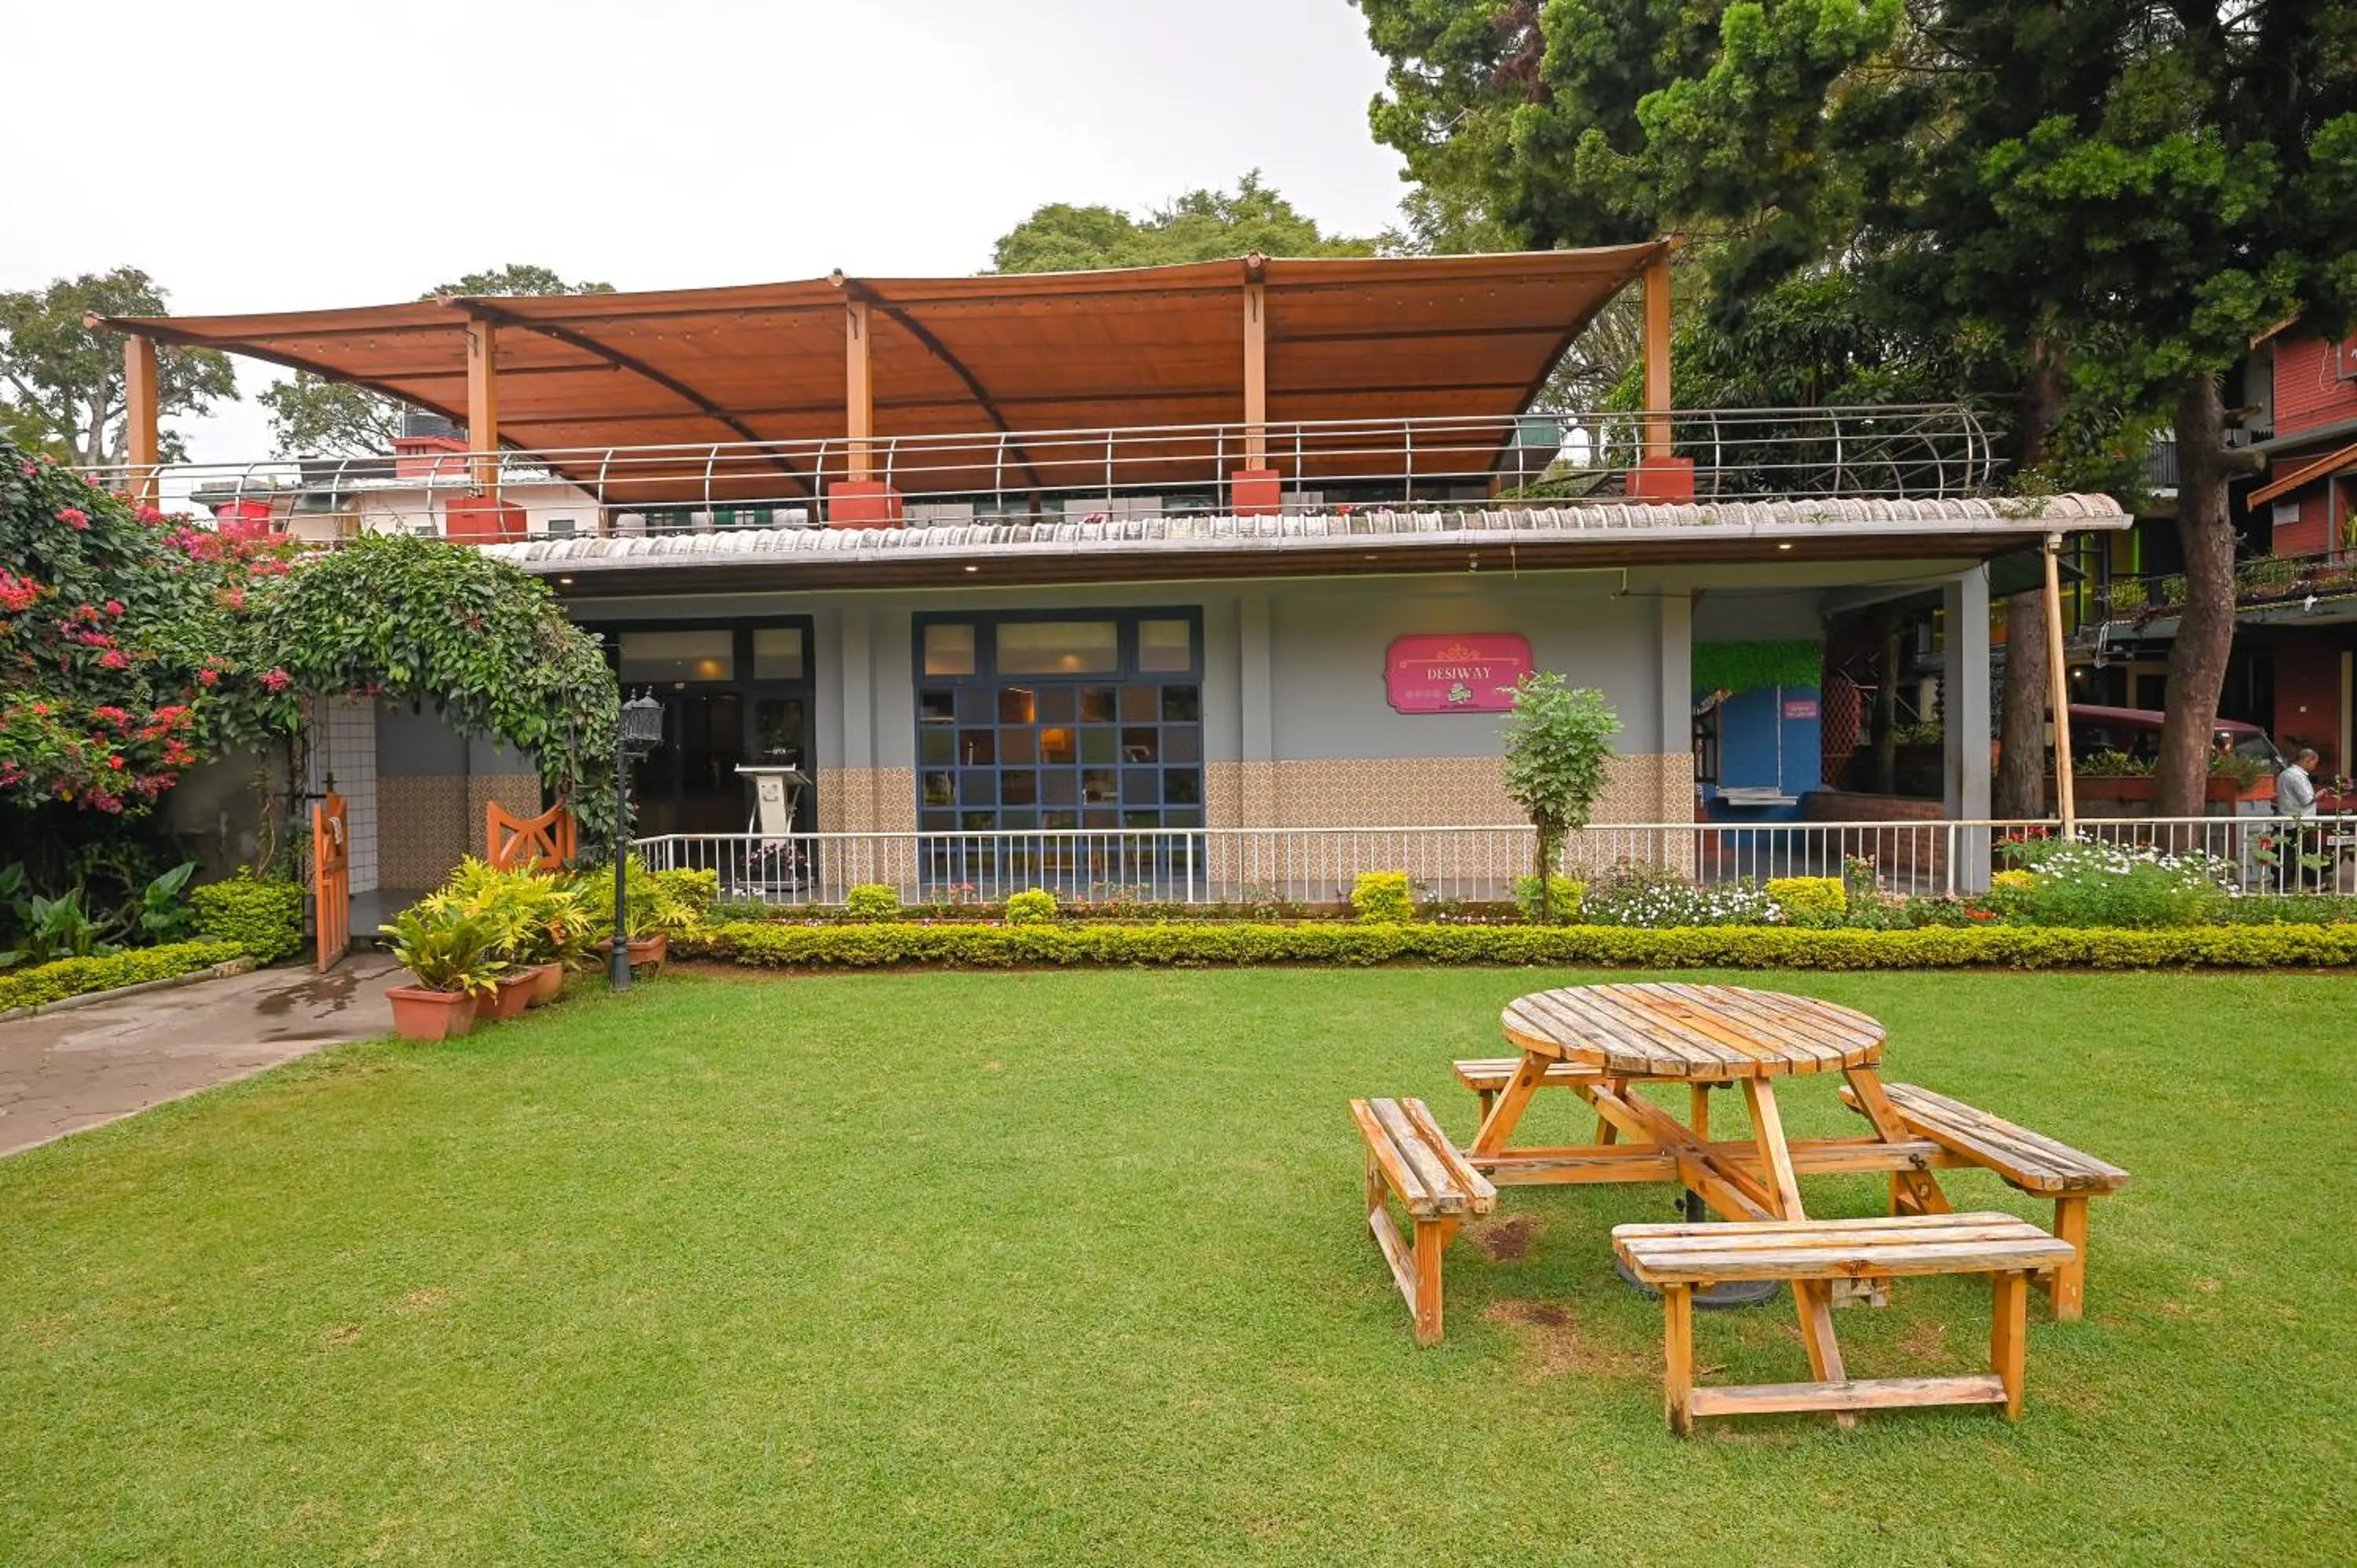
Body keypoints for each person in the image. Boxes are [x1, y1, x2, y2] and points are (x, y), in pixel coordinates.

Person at [2275, 748, 2321, 892]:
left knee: (2290, 853)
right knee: (2304, 854)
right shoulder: (2297, 776)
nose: (2314, 767)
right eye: (2314, 763)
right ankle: (2309, 884)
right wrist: (2320, 795)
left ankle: (2287, 884)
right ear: (2307, 761)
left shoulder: (2285, 774)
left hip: (2289, 819)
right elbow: (2306, 800)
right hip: (2300, 821)